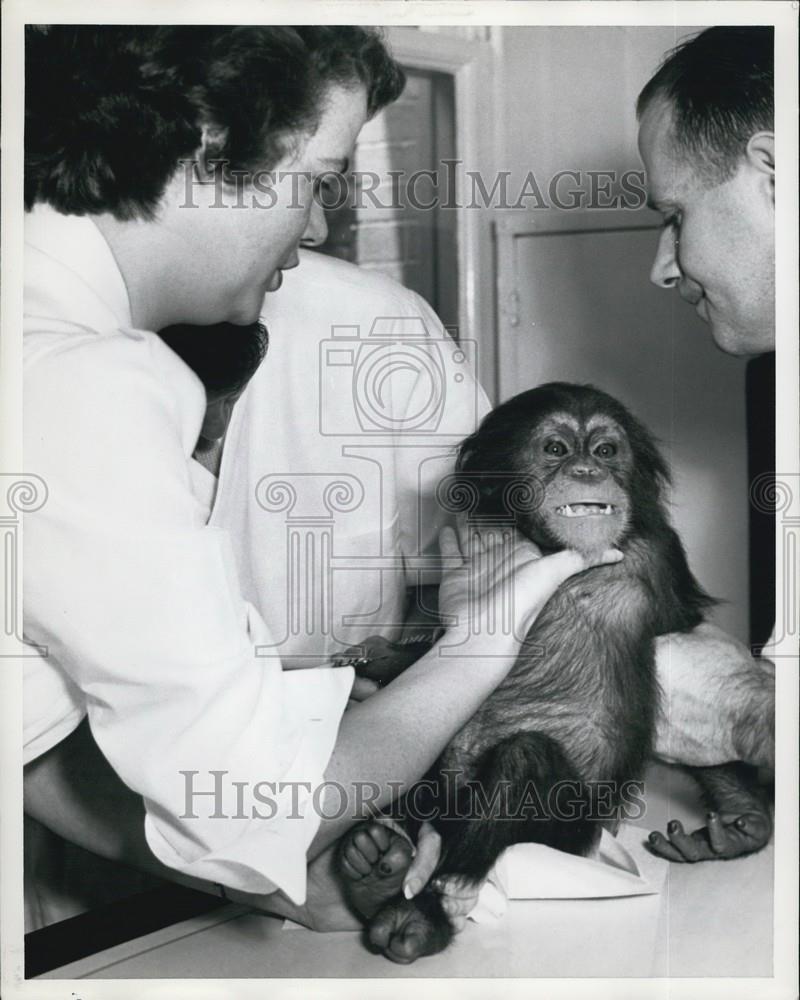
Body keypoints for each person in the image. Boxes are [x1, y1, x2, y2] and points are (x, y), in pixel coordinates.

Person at [23, 25, 617, 935]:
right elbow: (257, 808)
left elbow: (33, 728)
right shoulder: (78, 381)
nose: (314, 226)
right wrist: (487, 636)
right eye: (314, 181)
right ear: (203, 153)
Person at [636, 26, 777, 862]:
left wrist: (745, 716)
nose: (662, 267)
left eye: (674, 215)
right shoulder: (774, 380)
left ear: (774, 172)